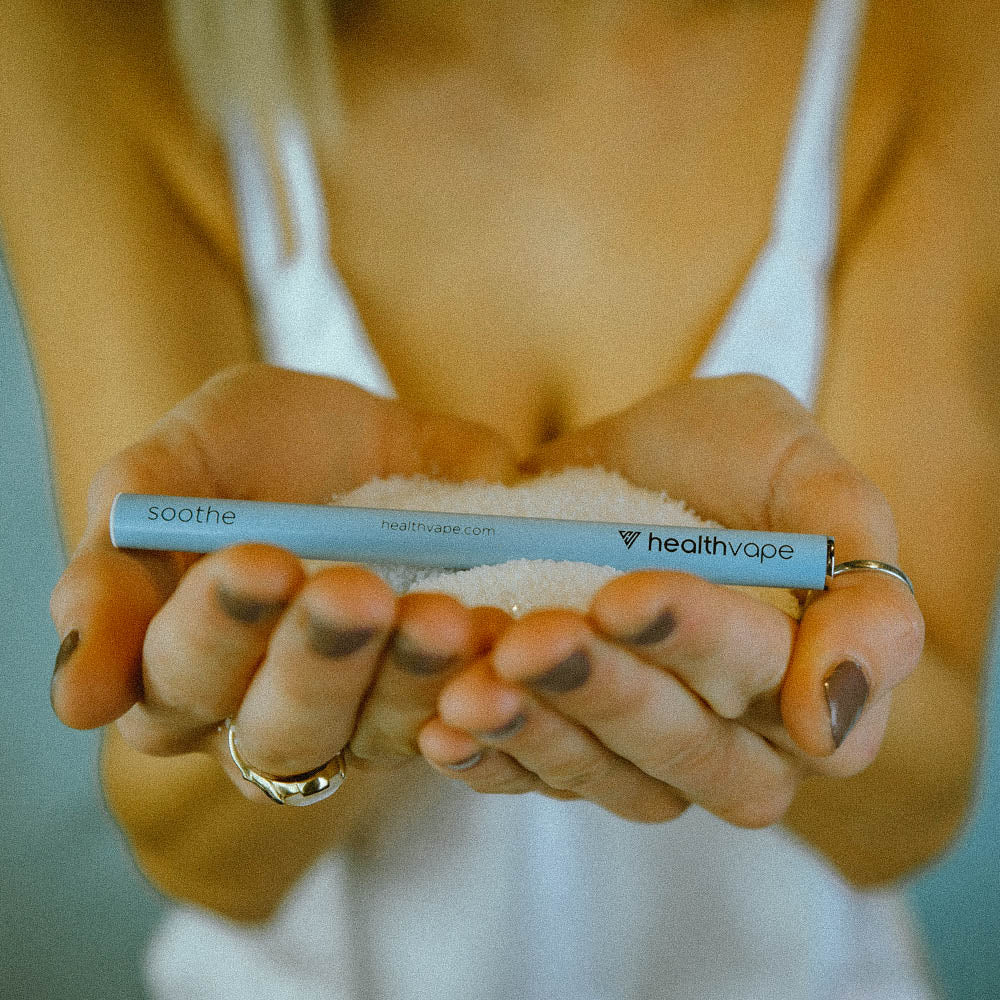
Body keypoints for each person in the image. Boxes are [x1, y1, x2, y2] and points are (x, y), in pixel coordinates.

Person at [2, 0, 997, 995]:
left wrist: (797, 700)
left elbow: (914, 809)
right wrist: (318, 712)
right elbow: (187, 849)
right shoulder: (92, 35)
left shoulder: (940, 35)